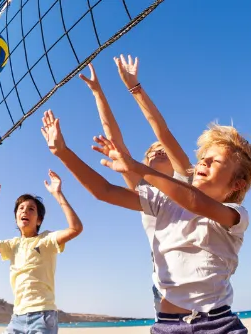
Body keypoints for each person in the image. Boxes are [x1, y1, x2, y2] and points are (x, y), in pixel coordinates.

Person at [41, 110, 251, 334]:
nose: (204, 162)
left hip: (221, 329)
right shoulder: (162, 202)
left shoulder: (236, 215)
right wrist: (62, 151)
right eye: (203, 158)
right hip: (170, 331)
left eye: (216, 160)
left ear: (237, 184)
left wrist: (136, 166)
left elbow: (194, 201)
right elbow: (104, 191)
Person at [78, 57, 193, 313]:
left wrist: (134, 86)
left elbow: (162, 131)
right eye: (151, 151)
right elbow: (115, 143)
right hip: (165, 283)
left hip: (202, 278)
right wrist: (98, 93)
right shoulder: (145, 193)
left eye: (161, 149)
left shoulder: (187, 179)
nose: (156, 150)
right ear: (144, 163)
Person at [0, 170, 83, 334]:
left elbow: (76, 228)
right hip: (17, 318)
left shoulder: (46, 240)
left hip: (43, 317)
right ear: (16, 218)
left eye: (31, 209)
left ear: (38, 220)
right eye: (21, 208)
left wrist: (58, 194)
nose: (25, 211)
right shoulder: (11, 245)